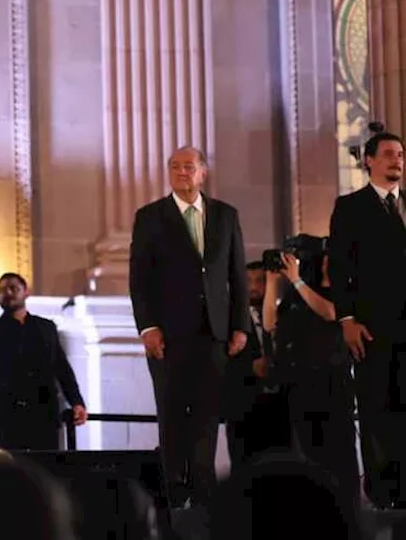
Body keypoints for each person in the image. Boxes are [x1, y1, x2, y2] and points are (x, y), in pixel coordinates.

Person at [128, 145, 249, 507]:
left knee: (207, 419)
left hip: (214, 335)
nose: (182, 172)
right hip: (167, 337)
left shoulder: (226, 216)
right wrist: (148, 327)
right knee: (171, 415)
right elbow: (140, 278)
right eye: (175, 166)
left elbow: (237, 275)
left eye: (189, 166)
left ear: (203, 173)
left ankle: (205, 496)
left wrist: (240, 325)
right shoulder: (150, 216)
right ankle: (173, 497)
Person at [329, 129, 406, 508]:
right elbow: (340, 268)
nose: (397, 160)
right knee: (377, 410)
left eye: (401, 155)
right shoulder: (350, 207)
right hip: (371, 329)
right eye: (389, 154)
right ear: (369, 161)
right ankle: (381, 495)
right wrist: (346, 318)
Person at [262, 246, 359, 509]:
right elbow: (270, 323)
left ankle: (348, 513)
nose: (327, 264)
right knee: (305, 454)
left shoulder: (344, 293)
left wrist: (297, 280)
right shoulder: (298, 295)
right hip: (299, 384)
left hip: (332, 386)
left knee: (339, 455)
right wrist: (272, 283)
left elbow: (330, 313)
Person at [0, 271, 87, 450]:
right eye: (2, 290)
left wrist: (76, 401)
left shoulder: (46, 327)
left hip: (43, 407)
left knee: (47, 463)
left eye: (13, 288)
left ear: (26, 292)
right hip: (7, 410)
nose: (8, 293)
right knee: (13, 465)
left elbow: (61, 367)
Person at [222, 259, 287, 468]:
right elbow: (219, 363)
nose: (253, 287)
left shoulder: (285, 314)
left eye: (260, 280)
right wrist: (249, 367)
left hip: (281, 404)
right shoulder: (226, 320)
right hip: (242, 403)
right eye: (247, 281)